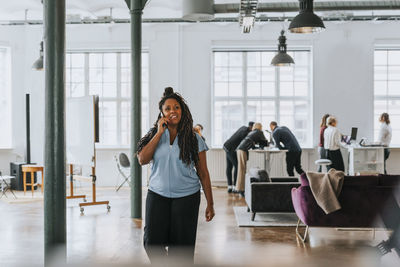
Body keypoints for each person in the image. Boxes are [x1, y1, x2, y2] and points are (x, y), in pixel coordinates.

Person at [137, 87, 215, 264]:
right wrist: (158, 133)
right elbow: (142, 159)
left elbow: (203, 173)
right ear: (162, 113)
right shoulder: (154, 136)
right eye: (168, 109)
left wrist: (210, 203)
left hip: (187, 197)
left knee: (182, 249)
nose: (173, 111)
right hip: (157, 195)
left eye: (176, 107)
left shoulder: (194, 139)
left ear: (182, 110)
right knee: (152, 243)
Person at [235, 123, 268, 197]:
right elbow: (265, 142)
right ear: (260, 127)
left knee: (241, 170)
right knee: (242, 170)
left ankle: (239, 188)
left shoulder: (253, 132)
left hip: (240, 150)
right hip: (242, 150)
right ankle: (241, 190)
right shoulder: (259, 132)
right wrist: (268, 144)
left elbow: (252, 143)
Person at [223, 121, 254, 193]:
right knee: (237, 166)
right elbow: (245, 145)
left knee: (229, 167)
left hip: (226, 146)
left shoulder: (243, 127)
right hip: (231, 149)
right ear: (251, 127)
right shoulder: (246, 133)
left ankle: (230, 186)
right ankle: (234, 187)